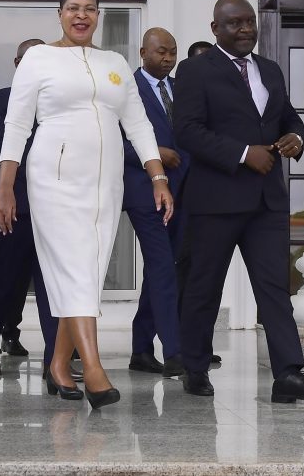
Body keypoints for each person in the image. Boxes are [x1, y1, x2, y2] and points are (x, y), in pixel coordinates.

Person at [0, 0, 173, 410]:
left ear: (98, 16)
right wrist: (4, 185)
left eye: (90, 9)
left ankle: (58, 365)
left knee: (87, 272)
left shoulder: (114, 64)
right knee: (76, 269)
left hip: (105, 183)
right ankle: (91, 369)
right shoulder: (39, 59)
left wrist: (157, 176)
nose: (81, 15)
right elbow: (16, 124)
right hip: (53, 178)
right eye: (73, 8)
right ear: (59, 14)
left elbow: (139, 125)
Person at [174, 0, 304, 403]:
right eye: (234, 23)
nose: (246, 29)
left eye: (249, 22)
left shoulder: (270, 69)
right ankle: (194, 366)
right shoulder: (194, 70)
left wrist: (297, 137)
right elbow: (187, 130)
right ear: (215, 29)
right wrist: (244, 154)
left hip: (266, 203)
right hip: (216, 201)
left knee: (274, 288)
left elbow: (288, 116)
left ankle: (288, 374)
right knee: (203, 288)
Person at [0, 39, 58, 376]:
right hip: (15, 207)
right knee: (4, 281)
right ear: (17, 63)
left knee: (55, 287)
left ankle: (57, 357)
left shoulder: (58, 101)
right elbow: (1, 148)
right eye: (29, 60)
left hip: (54, 206)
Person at [124, 28, 188, 378]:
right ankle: (176, 351)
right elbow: (117, 139)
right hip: (143, 191)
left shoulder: (180, 90)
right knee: (163, 265)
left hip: (183, 191)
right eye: (161, 52)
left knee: (164, 267)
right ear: (143, 52)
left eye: (173, 52)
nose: (167, 58)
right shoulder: (126, 88)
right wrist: (154, 155)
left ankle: (141, 349)